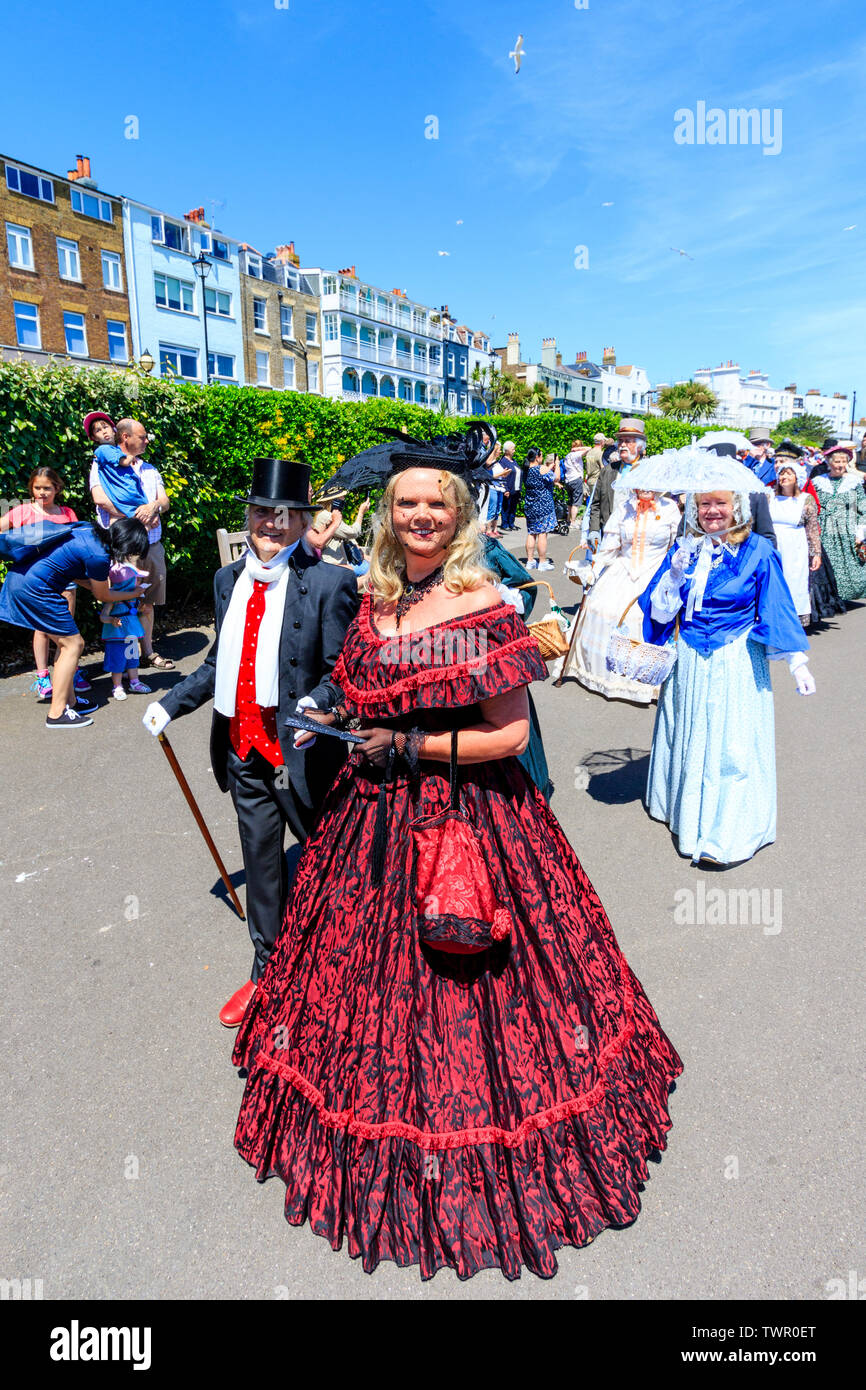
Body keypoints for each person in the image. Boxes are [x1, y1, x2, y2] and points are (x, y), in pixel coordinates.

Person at [229, 438, 682, 1281]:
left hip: (470, 822)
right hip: (366, 831)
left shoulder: (482, 601)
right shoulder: (376, 598)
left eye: (437, 503)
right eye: (407, 504)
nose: (422, 516)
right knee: (357, 984)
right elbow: (358, 678)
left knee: (483, 989)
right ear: (386, 516)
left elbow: (508, 733)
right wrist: (328, 702)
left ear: (461, 514)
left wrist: (409, 745)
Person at [141, 458, 360, 1026]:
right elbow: (222, 663)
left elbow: (343, 671)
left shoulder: (331, 583)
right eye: (262, 510)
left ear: (302, 520)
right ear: (249, 515)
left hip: (303, 757)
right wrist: (171, 703)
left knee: (331, 866)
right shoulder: (227, 581)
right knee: (262, 870)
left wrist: (319, 702)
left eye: (285, 514)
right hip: (243, 752)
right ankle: (266, 973)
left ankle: (343, 968)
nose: (272, 522)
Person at [639, 491, 815, 866]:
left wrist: (797, 663)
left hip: (734, 657)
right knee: (686, 735)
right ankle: (687, 814)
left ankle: (727, 834)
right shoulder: (685, 548)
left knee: (731, 745)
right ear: (695, 509)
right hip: (689, 656)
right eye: (704, 505)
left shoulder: (757, 551)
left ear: (737, 508)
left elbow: (777, 606)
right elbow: (659, 610)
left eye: (720, 504)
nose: (712, 512)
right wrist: (672, 576)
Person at [0, 517, 149, 729]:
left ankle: (70, 701)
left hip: (25, 580)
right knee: (73, 644)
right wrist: (134, 592)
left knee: (67, 644)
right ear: (128, 545)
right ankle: (57, 713)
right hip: (35, 590)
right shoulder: (99, 555)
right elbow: (103, 595)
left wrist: (104, 590)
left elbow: (78, 576)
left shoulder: (89, 531)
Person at [553, 490, 681, 701]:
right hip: (622, 569)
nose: (645, 488)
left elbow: (674, 544)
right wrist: (595, 569)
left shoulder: (670, 509)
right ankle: (601, 674)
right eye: (641, 484)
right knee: (602, 609)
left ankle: (648, 677)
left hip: (656, 570)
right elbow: (610, 547)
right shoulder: (624, 508)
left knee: (645, 615)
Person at [88, 416, 175, 671]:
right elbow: (99, 498)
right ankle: (126, 661)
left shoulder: (150, 469)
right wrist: (137, 520)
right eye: (142, 436)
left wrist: (153, 507)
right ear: (126, 438)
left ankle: (147, 652)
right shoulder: (101, 462)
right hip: (125, 550)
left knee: (147, 604)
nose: (147, 440)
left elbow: (165, 501)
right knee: (121, 604)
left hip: (153, 546)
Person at [0, 467, 91, 702]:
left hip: (66, 580)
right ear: (31, 488)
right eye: (37, 488)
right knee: (41, 629)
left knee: (66, 629)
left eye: (47, 488)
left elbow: (77, 542)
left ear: (56, 489)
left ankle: (69, 673)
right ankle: (43, 677)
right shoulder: (22, 511)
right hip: (36, 582)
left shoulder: (66, 513)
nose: (42, 492)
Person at [765, 445, 820, 628]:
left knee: (794, 580)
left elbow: (812, 529)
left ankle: (792, 621)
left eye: (788, 474)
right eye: (781, 474)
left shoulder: (805, 499)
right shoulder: (770, 496)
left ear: (797, 478)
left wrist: (816, 553)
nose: (784, 477)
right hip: (774, 543)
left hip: (795, 545)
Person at [811, 443, 866, 602]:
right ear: (829, 462)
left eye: (844, 462)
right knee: (826, 565)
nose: (841, 465)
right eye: (837, 462)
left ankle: (843, 596)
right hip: (824, 529)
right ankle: (829, 598)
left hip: (847, 528)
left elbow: (862, 507)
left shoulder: (853, 483)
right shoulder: (818, 482)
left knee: (849, 566)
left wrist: (860, 532)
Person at [101, 556, 152, 700]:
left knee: (133, 659)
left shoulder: (134, 598)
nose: (140, 582)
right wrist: (111, 620)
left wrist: (143, 609)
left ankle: (134, 682)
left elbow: (137, 610)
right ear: (127, 583)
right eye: (137, 579)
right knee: (117, 661)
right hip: (116, 635)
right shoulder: (113, 600)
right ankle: (117, 686)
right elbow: (103, 616)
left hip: (131, 635)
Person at [589, 418, 646, 541]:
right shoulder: (607, 471)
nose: (622, 445)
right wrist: (594, 530)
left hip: (638, 537)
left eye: (628, 441)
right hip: (610, 534)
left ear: (640, 446)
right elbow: (596, 505)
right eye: (620, 441)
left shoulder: (649, 471)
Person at [522, 446, 558, 569]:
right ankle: (542, 562)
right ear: (537, 457)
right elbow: (556, 478)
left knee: (531, 533)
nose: (542, 458)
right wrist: (557, 465)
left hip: (530, 505)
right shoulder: (541, 468)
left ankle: (530, 561)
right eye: (541, 456)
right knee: (542, 533)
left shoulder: (526, 470)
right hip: (543, 506)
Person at [561, 439, 588, 528]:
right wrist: (578, 449)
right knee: (576, 502)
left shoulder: (568, 455)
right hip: (576, 479)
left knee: (570, 501)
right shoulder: (577, 454)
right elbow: (589, 448)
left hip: (568, 480)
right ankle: (573, 522)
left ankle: (568, 519)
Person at [498, 440, 521, 531]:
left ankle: (511, 523)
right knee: (506, 507)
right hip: (508, 488)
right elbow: (502, 476)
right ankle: (505, 524)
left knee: (513, 507)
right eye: (513, 449)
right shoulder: (503, 461)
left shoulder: (514, 461)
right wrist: (505, 489)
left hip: (516, 488)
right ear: (507, 451)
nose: (514, 450)